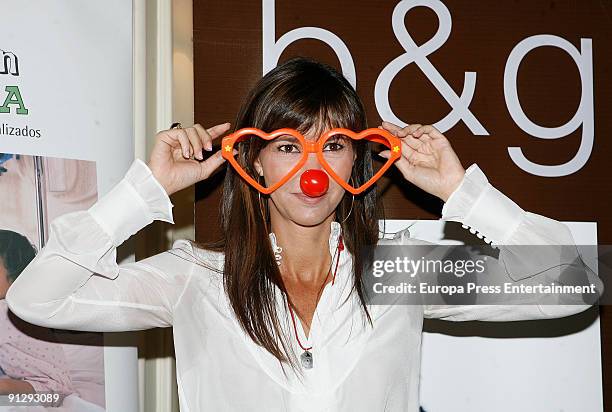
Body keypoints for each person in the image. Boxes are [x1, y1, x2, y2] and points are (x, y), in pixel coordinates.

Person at [4, 56, 601, 411]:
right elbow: (37, 298)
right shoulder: (194, 278)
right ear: (253, 160)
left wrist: (462, 190)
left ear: (358, 161)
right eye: (288, 146)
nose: (311, 171)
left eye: (334, 146)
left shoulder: (396, 271)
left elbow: (574, 284)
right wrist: (143, 194)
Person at [0, 229, 74, 405]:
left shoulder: (9, 311)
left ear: (15, 275)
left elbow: (56, 389)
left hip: (49, 389)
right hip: (49, 389)